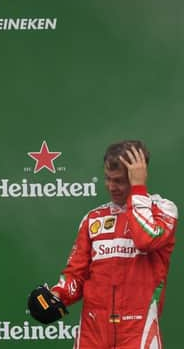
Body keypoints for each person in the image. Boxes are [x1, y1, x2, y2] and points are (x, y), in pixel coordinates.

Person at [50, 141, 177, 348]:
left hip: (138, 331)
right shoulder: (93, 219)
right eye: (108, 179)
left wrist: (138, 190)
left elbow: (146, 240)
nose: (111, 187)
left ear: (138, 176)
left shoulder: (163, 210)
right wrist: (57, 297)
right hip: (92, 333)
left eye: (118, 181)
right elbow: (75, 275)